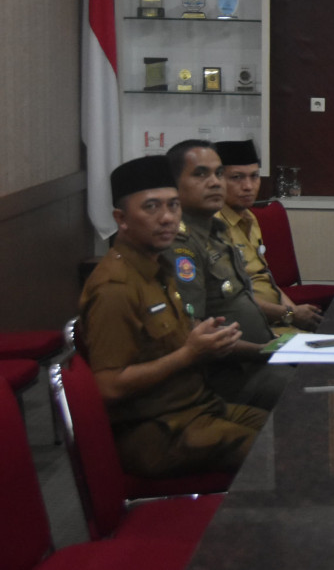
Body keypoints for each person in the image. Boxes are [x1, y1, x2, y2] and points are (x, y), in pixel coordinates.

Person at [78, 155, 266, 478]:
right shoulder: (115, 287)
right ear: (121, 219)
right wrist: (188, 355)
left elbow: (185, 339)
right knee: (283, 451)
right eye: (151, 207)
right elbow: (107, 386)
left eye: (173, 206)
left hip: (199, 408)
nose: (167, 218)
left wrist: (269, 351)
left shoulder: (158, 267)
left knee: (297, 427)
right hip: (157, 430)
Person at [167, 139, 289, 410]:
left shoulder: (218, 233)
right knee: (315, 390)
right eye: (201, 174)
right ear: (173, 185)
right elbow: (195, 333)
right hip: (231, 379)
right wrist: (268, 350)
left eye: (219, 174)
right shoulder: (180, 245)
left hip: (260, 358)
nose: (215, 183)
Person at [214, 140, 321, 332]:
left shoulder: (251, 218)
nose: (248, 186)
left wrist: (294, 313)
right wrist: (289, 314)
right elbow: (233, 298)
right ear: (217, 181)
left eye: (254, 176)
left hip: (277, 320)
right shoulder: (214, 227)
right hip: (246, 327)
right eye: (237, 177)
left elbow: (266, 278)